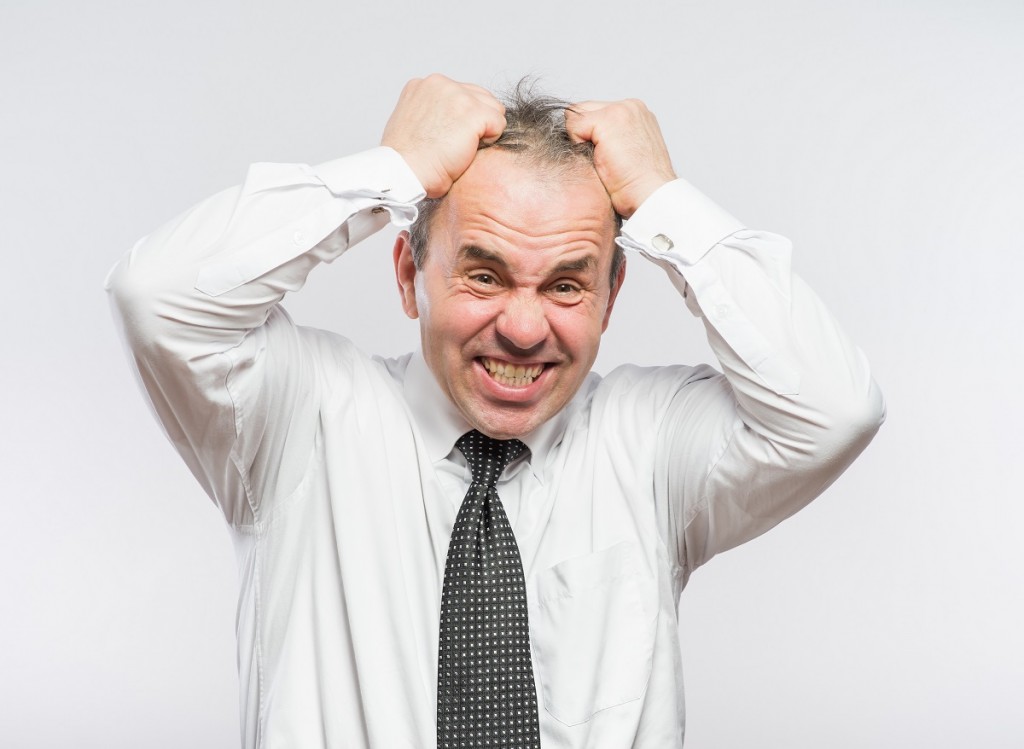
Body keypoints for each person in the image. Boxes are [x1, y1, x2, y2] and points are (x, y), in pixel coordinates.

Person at [106, 74, 885, 748]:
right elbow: (159, 298)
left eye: (567, 285)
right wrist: (392, 170)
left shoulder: (650, 445)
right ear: (411, 275)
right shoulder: (299, 419)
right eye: (484, 275)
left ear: (611, 298)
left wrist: (662, 200)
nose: (522, 325)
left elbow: (834, 408)